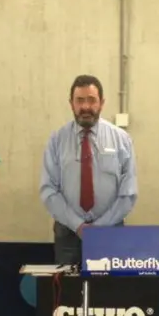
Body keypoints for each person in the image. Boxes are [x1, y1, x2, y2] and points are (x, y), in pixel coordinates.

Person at [40, 74, 138, 265]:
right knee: (68, 292)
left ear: (101, 103)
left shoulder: (122, 140)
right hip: (68, 234)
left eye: (91, 100)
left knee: (109, 292)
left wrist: (99, 228)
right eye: (80, 100)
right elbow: (48, 189)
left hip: (111, 233)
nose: (85, 107)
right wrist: (78, 225)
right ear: (71, 104)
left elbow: (129, 192)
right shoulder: (56, 141)